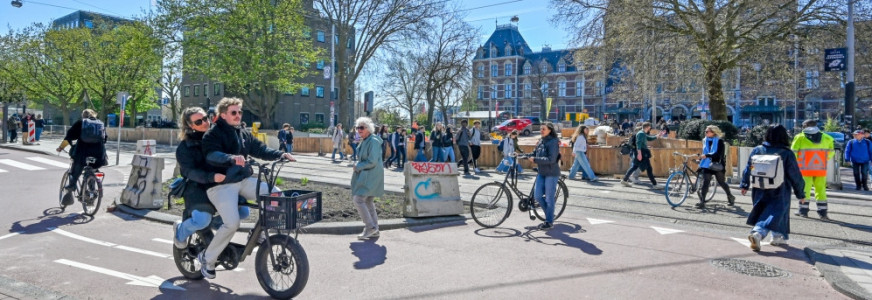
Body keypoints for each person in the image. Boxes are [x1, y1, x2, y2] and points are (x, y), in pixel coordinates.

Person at [199, 97, 295, 280]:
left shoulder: (243, 132)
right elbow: (212, 155)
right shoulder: (213, 134)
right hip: (221, 184)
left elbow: (261, 150)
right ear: (223, 115)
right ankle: (207, 259)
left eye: (239, 112)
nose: (238, 115)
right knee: (232, 223)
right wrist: (231, 158)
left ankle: (258, 233)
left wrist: (281, 154)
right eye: (234, 112)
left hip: (242, 180)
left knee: (276, 194)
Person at [172, 107, 250, 249]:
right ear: (190, 126)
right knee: (202, 220)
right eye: (199, 121)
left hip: (220, 184)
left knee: (243, 211)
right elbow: (189, 172)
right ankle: (180, 230)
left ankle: (212, 226)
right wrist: (211, 176)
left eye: (206, 118)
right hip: (197, 187)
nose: (205, 123)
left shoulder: (217, 135)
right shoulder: (185, 147)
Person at [740, 125, 806, 251]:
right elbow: (795, 175)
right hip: (780, 188)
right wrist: (800, 193)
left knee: (763, 211)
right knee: (777, 212)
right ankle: (758, 234)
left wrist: (745, 184)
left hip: (759, 186)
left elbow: (749, 168)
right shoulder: (786, 153)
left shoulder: (757, 150)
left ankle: (777, 237)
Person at [56, 109, 108, 205]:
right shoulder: (100, 124)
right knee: (93, 170)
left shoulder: (80, 123)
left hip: (82, 153)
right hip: (99, 154)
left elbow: (69, 137)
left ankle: (71, 186)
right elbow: (104, 139)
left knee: (76, 171)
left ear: (83, 115)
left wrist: (61, 147)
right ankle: (92, 191)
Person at [791, 119, 835, 220]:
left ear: (805, 126)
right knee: (820, 190)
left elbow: (793, 153)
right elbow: (832, 152)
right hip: (820, 168)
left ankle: (803, 211)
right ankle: (823, 213)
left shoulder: (800, 138)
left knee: (805, 189)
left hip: (805, 169)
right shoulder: (827, 138)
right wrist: (822, 159)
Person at [351, 117, 384, 240]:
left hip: (370, 176)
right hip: (370, 175)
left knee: (358, 199)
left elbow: (372, 161)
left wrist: (358, 166)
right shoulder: (366, 140)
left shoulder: (373, 141)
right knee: (368, 201)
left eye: (361, 127)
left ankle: (370, 227)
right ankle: (374, 229)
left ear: (368, 129)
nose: (359, 130)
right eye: (357, 127)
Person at [527, 122, 561, 230]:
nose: (541, 131)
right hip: (542, 172)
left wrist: (535, 160)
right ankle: (550, 215)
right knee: (537, 196)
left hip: (551, 173)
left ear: (550, 130)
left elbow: (551, 159)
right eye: (541, 129)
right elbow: (534, 153)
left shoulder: (553, 142)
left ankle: (549, 221)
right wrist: (523, 155)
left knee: (549, 199)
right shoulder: (541, 140)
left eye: (544, 129)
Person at [695, 125, 736, 208]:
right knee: (706, 181)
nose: (705, 133)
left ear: (713, 132)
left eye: (707, 131)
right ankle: (702, 201)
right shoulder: (705, 140)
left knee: (721, 182)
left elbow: (719, 155)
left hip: (717, 164)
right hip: (706, 164)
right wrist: (702, 159)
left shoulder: (720, 141)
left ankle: (730, 196)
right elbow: (704, 151)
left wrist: (706, 156)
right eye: (705, 131)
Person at [620, 122, 663, 189]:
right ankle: (655, 184)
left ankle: (624, 180)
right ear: (647, 127)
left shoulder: (643, 133)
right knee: (649, 168)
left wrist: (657, 136)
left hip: (641, 153)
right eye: (650, 127)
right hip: (642, 153)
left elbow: (649, 138)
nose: (650, 128)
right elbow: (638, 144)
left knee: (634, 167)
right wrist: (639, 154)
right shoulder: (641, 134)